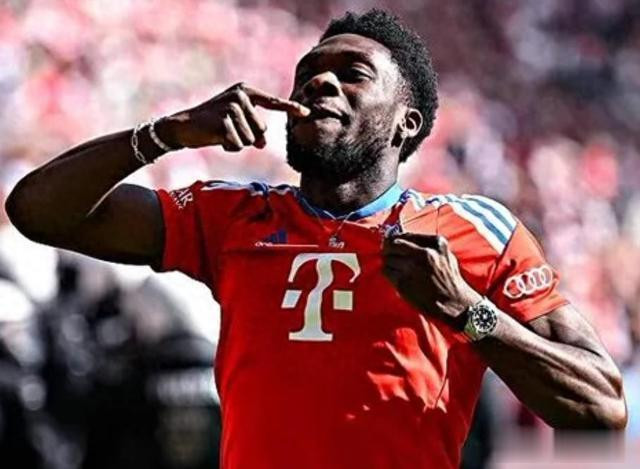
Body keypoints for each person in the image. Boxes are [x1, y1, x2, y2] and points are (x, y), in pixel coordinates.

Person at [5, 8, 627, 469]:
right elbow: (37, 211)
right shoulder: (230, 215)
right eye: (307, 74)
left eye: (352, 74)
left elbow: (600, 406)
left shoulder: (473, 231)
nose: (318, 84)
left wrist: (468, 312)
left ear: (406, 123)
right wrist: (166, 133)